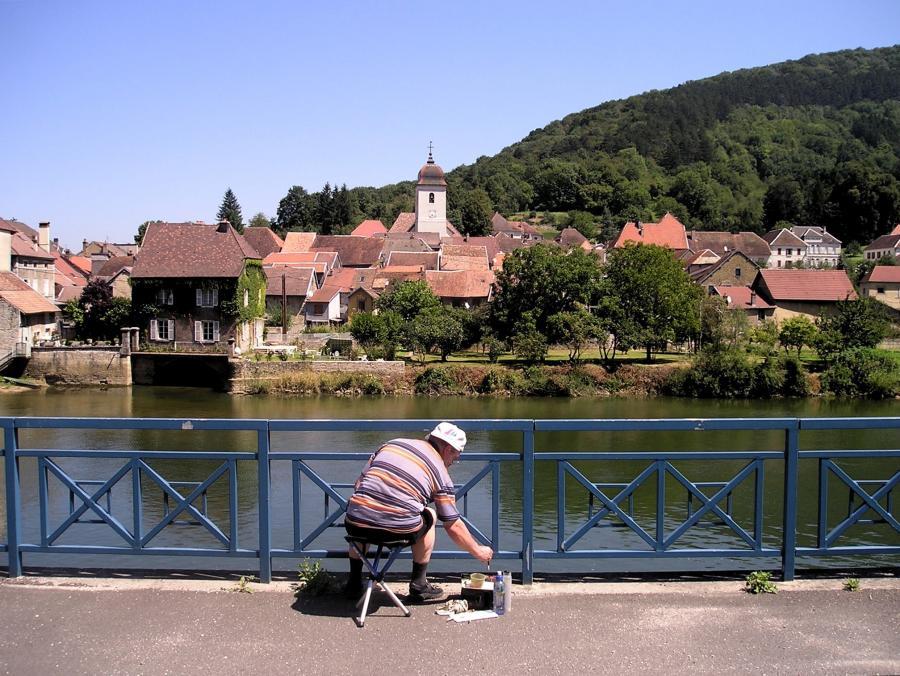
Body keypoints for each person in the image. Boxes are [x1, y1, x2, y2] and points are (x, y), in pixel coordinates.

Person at [344, 422, 494, 602]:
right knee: (429, 514)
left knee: (364, 507)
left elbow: (358, 485)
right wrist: (478, 551)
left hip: (354, 526)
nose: (454, 462)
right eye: (455, 456)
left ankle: (353, 583)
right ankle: (419, 585)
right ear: (447, 449)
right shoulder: (441, 474)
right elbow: (452, 524)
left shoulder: (391, 444)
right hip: (397, 532)